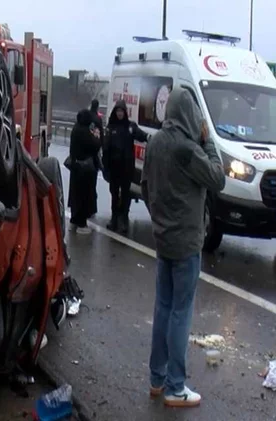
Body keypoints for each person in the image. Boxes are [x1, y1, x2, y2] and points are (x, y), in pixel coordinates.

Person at [142, 88, 225, 407]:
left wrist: (160, 220)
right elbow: (217, 178)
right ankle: (176, 387)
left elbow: (147, 186)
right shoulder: (187, 149)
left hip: (163, 239)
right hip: (186, 242)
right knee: (180, 312)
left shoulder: (155, 142)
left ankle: (156, 378)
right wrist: (208, 141)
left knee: (163, 308)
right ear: (189, 114)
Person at [102, 99, 149, 233]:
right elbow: (106, 149)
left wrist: (151, 138)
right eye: (117, 111)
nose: (119, 114)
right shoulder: (110, 128)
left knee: (126, 194)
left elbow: (142, 136)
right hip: (114, 168)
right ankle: (114, 218)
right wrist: (105, 167)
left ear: (125, 112)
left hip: (127, 168)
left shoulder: (130, 127)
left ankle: (124, 219)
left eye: (121, 111)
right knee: (114, 194)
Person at [67, 109, 101, 234]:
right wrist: (96, 137)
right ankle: (82, 224)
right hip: (85, 169)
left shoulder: (76, 128)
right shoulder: (85, 131)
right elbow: (95, 145)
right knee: (84, 196)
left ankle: (74, 222)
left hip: (75, 167)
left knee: (75, 196)